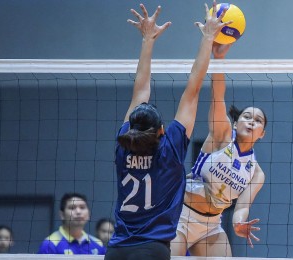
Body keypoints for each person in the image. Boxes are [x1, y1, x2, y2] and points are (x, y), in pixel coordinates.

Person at [104, 2, 230, 260]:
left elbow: (140, 91)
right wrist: (208, 38)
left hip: (116, 250)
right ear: (162, 130)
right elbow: (192, 89)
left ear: (131, 126)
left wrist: (147, 39)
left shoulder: (122, 145)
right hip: (151, 250)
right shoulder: (170, 148)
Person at [170, 43, 267, 257]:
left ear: (262, 133)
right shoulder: (222, 135)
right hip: (180, 216)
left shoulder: (257, 173)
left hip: (211, 226)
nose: (251, 122)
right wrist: (219, 60)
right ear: (235, 123)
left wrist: (239, 224)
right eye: (246, 117)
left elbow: (242, 206)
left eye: (258, 120)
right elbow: (218, 96)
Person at [37, 192, 106, 255]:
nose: (78, 212)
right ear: (62, 215)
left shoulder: (98, 244)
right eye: (72, 208)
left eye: (82, 207)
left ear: (88, 214)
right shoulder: (50, 244)